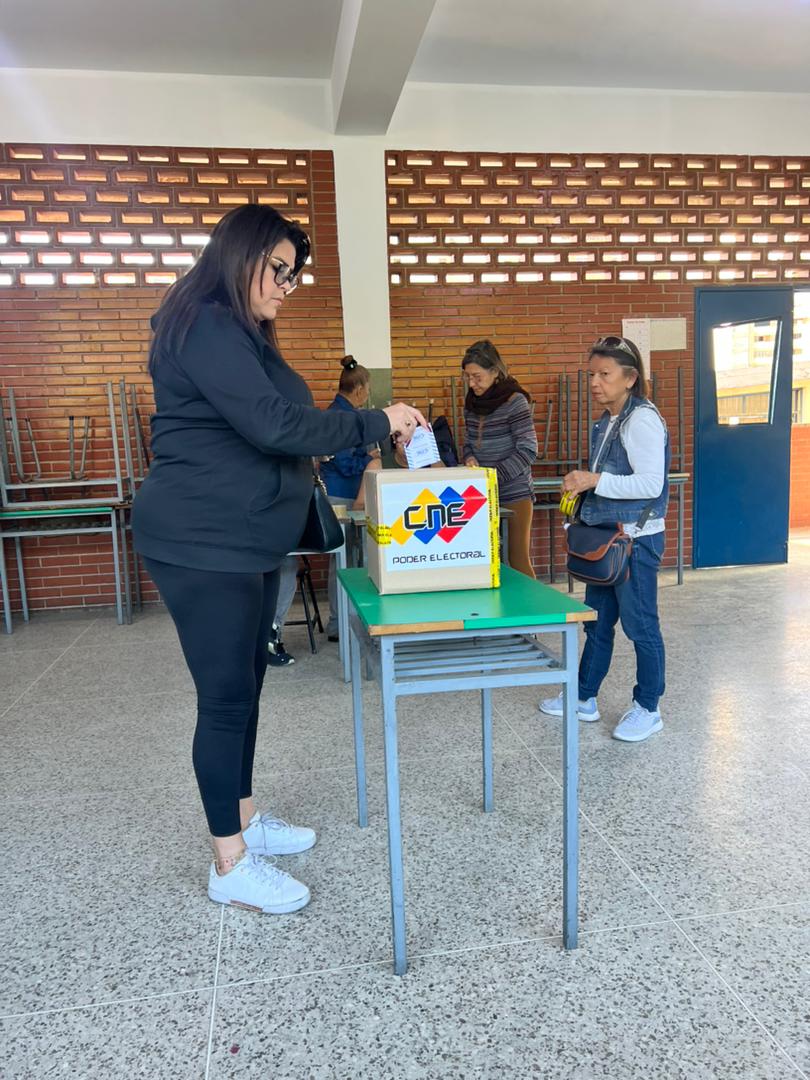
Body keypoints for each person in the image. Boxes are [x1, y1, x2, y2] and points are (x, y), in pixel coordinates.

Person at [131, 203, 425, 914]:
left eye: (294, 276)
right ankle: (228, 864)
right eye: (280, 271)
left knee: (247, 686)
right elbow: (273, 423)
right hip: (205, 540)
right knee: (226, 696)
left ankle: (245, 819)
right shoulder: (203, 321)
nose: (286, 287)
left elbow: (278, 421)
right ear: (242, 254)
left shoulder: (238, 329)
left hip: (246, 537)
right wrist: (375, 419)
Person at [540, 335, 670, 743]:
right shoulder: (608, 420)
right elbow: (617, 480)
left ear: (630, 378)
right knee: (597, 623)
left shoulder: (642, 419)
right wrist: (584, 488)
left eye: (605, 375)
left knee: (641, 625)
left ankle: (648, 707)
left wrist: (594, 479)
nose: (595, 382)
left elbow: (651, 483)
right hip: (608, 540)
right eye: (591, 374)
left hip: (636, 541)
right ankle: (583, 698)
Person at [461, 340, 538, 577]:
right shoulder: (471, 403)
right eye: (468, 377)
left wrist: (494, 476)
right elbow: (467, 442)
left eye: (477, 376)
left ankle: (536, 611)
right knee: (486, 559)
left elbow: (528, 449)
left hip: (514, 492)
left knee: (517, 561)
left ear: (495, 372)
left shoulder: (515, 401)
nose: (472, 383)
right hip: (482, 493)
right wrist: (470, 457)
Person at [319, 356, 382, 641]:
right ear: (358, 389)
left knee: (350, 562)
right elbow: (344, 464)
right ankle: (337, 623)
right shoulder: (342, 418)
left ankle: (347, 620)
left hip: (345, 495)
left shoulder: (339, 414)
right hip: (341, 498)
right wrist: (368, 458)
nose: (367, 397)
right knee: (343, 563)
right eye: (367, 390)